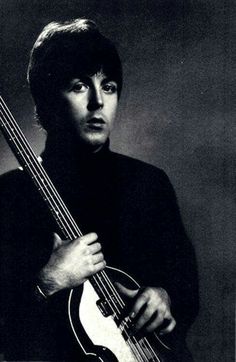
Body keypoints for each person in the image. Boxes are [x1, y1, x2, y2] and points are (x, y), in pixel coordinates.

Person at [0, 19, 199, 361]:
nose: (97, 103)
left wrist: (164, 297)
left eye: (108, 86)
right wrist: (47, 283)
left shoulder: (149, 183)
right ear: (47, 100)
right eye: (79, 86)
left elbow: (186, 290)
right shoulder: (9, 196)